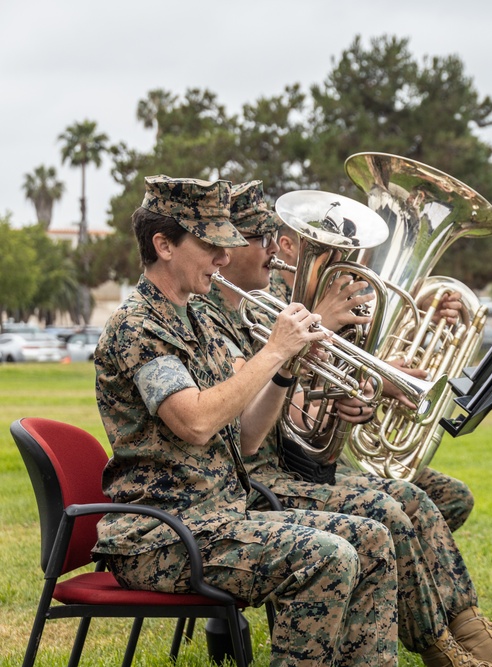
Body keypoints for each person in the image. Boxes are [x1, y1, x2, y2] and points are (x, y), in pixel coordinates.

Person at [193, 181, 492, 667]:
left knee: (416, 500)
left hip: (291, 470)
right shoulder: (230, 316)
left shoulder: (261, 308)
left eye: (270, 237)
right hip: (259, 482)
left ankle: (467, 630)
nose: (269, 251)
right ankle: (446, 648)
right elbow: (257, 429)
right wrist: (317, 337)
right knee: (390, 510)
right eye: (255, 238)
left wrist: (357, 396)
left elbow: (305, 415)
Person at [93, 175, 398, 666]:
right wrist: (274, 350)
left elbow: (249, 440)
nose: (222, 257)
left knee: (373, 538)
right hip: (161, 536)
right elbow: (194, 423)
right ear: (163, 245)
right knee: (328, 556)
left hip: (219, 519)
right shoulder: (138, 326)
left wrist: (286, 369)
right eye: (211, 244)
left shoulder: (193, 317)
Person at [270, 221, 476, 532]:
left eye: (351, 249)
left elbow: (365, 364)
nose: (348, 259)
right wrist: (376, 377)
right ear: (288, 246)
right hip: (292, 462)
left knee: (454, 496)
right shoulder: (268, 300)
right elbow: (283, 396)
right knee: (398, 506)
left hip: (329, 456)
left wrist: (421, 320)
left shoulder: (338, 298)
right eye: (336, 249)